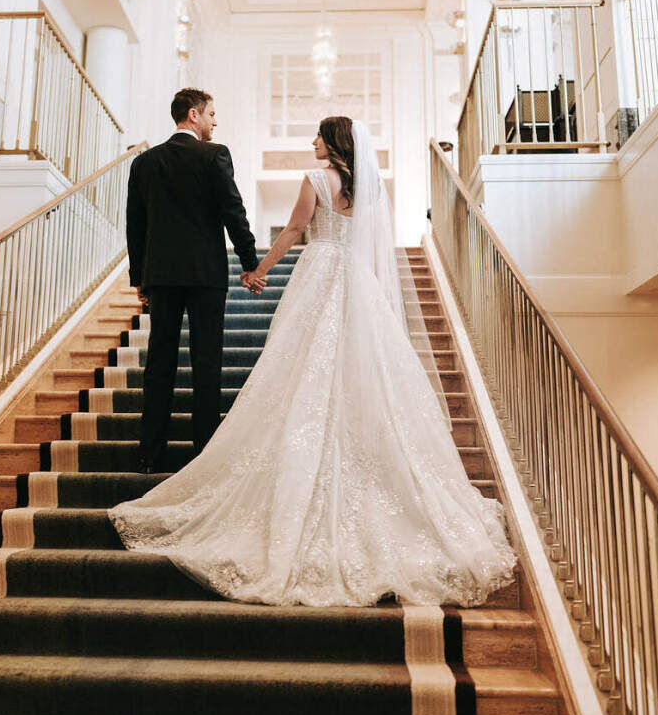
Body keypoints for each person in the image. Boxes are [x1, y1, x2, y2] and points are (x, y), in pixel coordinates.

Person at [111, 116, 516, 606]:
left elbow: (297, 228)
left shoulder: (316, 179)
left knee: (301, 363)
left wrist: (259, 268)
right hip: (356, 281)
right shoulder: (367, 187)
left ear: (333, 141)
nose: (313, 142)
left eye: (318, 136)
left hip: (321, 270)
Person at [126, 87, 263, 474]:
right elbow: (233, 213)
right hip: (205, 274)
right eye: (211, 114)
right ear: (193, 115)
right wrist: (250, 262)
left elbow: (135, 225)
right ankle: (203, 452)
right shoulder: (214, 155)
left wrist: (140, 277)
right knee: (206, 361)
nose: (214, 121)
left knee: (159, 362)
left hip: (162, 276)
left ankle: (149, 454)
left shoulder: (145, 162)